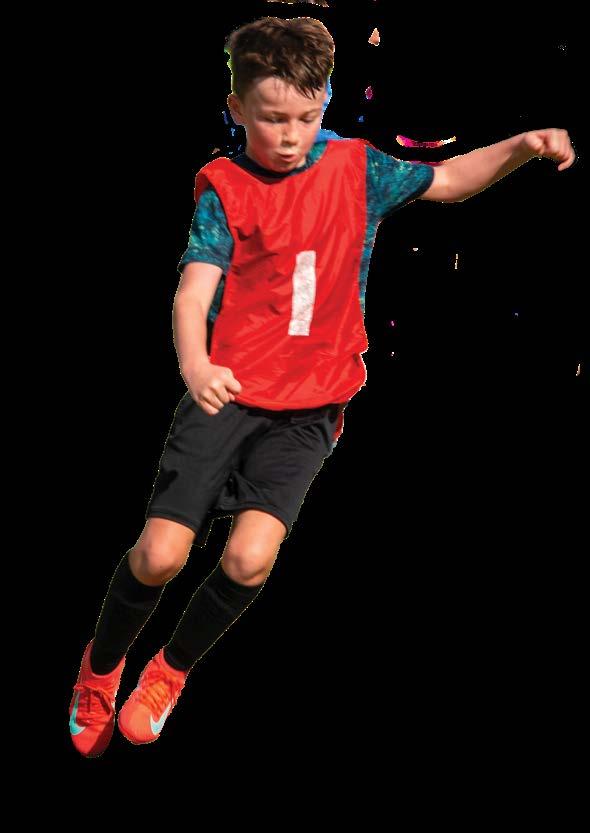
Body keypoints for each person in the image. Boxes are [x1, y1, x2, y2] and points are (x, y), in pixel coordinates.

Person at [68, 16, 575, 757]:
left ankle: (169, 671)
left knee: (248, 560)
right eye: (271, 118)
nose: (289, 135)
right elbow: (191, 291)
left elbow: (449, 180)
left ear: (326, 102)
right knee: (160, 556)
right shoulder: (226, 188)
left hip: (309, 407)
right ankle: (100, 668)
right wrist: (196, 366)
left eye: (306, 118)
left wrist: (523, 146)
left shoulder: (356, 168)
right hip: (227, 393)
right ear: (237, 108)